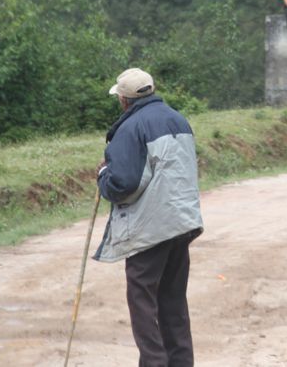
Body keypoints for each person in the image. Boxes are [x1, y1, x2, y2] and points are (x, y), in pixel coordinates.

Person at [94, 68, 204, 367]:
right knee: (173, 300)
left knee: (142, 300)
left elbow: (123, 184)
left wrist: (103, 175)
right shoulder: (178, 119)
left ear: (124, 101)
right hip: (183, 222)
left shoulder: (130, 129)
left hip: (151, 228)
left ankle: (154, 363)